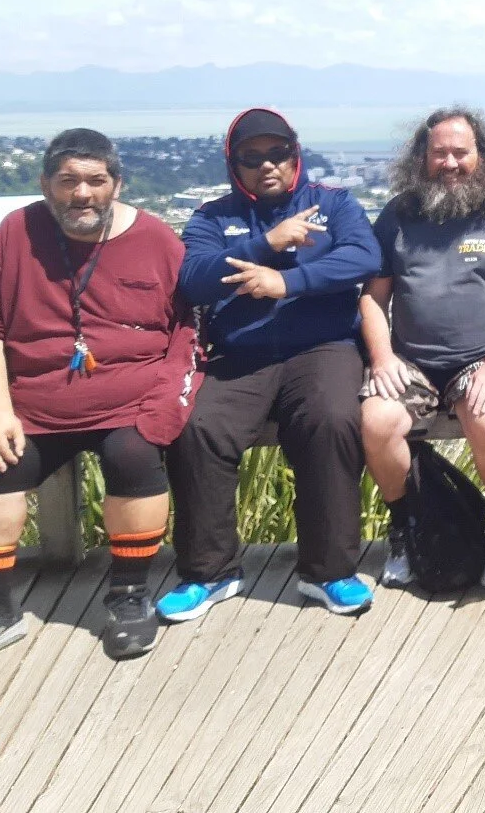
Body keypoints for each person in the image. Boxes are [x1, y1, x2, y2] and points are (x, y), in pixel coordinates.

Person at [0, 130, 198, 678]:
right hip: (34, 406)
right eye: (68, 180)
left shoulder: (154, 239)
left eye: (96, 181)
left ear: (116, 184)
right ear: (45, 184)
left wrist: (160, 410)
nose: (82, 194)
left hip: (130, 400)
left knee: (133, 456)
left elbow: (187, 329)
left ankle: (129, 595)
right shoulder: (17, 232)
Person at [159, 108, 381, 622]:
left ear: (295, 155)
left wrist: (289, 281)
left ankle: (328, 572)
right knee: (198, 427)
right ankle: (208, 572)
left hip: (323, 349)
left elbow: (364, 257)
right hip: (242, 356)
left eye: (278, 153)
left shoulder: (334, 203)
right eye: (251, 158)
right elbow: (191, 279)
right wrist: (266, 243)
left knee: (330, 419)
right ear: (233, 165)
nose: (268, 165)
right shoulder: (212, 216)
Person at [359, 106, 485, 589]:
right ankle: (404, 524)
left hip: (481, 358)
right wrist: (382, 359)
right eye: (440, 153)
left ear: (484, 156)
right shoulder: (398, 213)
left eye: (462, 152)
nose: (451, 163)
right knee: (376, 421)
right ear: (422, 157)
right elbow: (373, 299)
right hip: (410, 359)